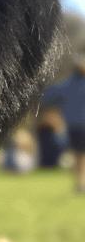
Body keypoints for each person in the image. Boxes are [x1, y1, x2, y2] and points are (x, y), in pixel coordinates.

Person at [41, 58, 85, 194]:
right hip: (76, 126)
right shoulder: (69, 84)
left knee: (79, 155)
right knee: (79, 155)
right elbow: (48, 95)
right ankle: (79, 183)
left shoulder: (68, 84)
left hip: (76, 125)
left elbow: (48, 95)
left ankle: (80, 183)